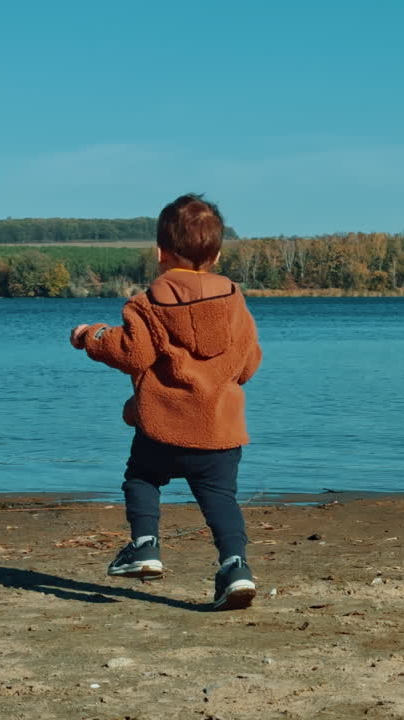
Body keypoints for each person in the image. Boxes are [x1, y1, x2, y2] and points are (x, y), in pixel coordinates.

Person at [70, 193, 262, 610]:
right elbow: (248, 364)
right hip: (219, 430)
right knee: (220, 499)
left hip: (164, 427)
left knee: (141, 478)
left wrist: (92, 336)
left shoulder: (149, 303)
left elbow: (130, 352)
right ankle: (236, 567)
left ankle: (144, 546)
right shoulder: (234, 303)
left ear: (160, 252)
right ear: (216, 254)